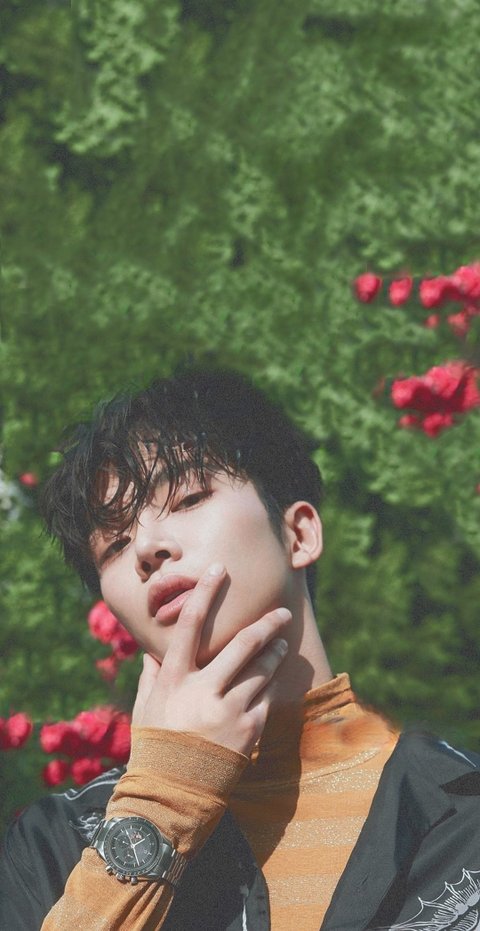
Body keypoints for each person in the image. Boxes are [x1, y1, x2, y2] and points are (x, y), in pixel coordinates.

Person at [2, 368, 480, 931]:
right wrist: (162, 801)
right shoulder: (54, 847)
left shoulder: (463, 814)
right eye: (115, 544)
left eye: (188, 498)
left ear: (298, 534)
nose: (148, 547)